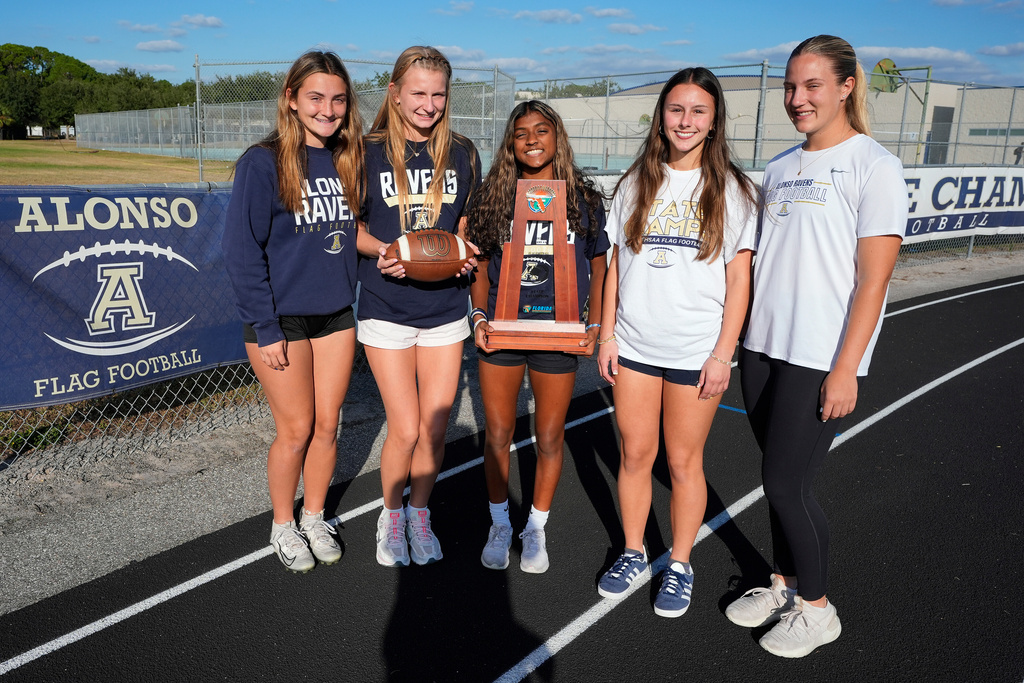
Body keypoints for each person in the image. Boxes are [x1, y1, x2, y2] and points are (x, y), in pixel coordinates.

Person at [728, 35, 907, 657]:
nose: (797, 99)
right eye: (790, 87)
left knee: (786, 485)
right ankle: (783, 583)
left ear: (845, 87)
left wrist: (847, 367)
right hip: (762, 349)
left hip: (818, 356)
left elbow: (874, 280)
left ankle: (817, 608)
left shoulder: (874, 166)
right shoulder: (778, 168)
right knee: (775, 475)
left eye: (812, 86)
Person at [594, 68, 758, 617]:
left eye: (698, 112)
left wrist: (722, 354)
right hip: (635, 348)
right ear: (661, 115)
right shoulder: (636, 181)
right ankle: (635, 550)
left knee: (685, 463)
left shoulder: (733, 190)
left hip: (694, 354)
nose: (685, 121)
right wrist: (607, 334)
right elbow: (617, 265)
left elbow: (740, 282)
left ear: (714, 123)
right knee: (635, 456)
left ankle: (681, 563)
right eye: (676, 109)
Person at [222, 51, 364, 573]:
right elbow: (242, 252)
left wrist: (398, 254)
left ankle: (314, 514)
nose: (328, 109)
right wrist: (265, 326)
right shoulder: (262, 162)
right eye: (316, 98)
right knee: (297, 429)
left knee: (329, 424)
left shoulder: (348, 159)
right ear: (291, 99)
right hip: (280, 321)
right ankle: (282, 524)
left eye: (338, 99)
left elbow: (356, 233)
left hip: (335, 315)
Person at [466, 101, 609, 574]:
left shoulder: (581, 198)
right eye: (521, 132)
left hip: (559, 335)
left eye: (541, 130)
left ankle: (536, 527)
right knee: (499, 435)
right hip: (505, 333)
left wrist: (594, 324)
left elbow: (599, 265)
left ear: (557, 137)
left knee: (548, 435)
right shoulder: (492, 197)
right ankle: (500, 522)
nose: (531, 139)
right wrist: (480, 317)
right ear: (510, 142)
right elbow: (482, 268)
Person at [356, 46, 480, 567]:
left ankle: (420, 514)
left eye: (438, 94)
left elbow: (464, 225)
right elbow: (350, 227)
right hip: (387, 307)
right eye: (419, 93)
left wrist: (466, 253)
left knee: (434, 428)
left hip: (446, 311)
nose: (429, 104)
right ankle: (391, 514)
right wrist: (385, 252)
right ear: (395, 93)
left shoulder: (464, 151)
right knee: (404, 428)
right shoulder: (364, 151)